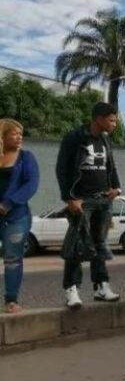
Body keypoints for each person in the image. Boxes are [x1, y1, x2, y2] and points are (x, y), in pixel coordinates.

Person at [56, 103, 122, 308]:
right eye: (111, 119)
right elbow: (62, 169)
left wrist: (116, 188)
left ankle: (101, 286)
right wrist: (69, 198)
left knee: (100, 244)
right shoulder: (75, 138)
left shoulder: (105, 139)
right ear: (98, 118)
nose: (114, 123)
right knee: (77, 246)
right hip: (81, 200)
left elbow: (111, 166)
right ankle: (71, 290)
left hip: (103, 198)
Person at [0, 119, 39, 314]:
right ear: (3, 136)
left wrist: (8, 204)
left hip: (15, 216)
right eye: (14, 133)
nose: (19, 137)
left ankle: (11, 300)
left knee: (13, 259)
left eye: (20, 134)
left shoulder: (26, 157)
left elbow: (31, 184)